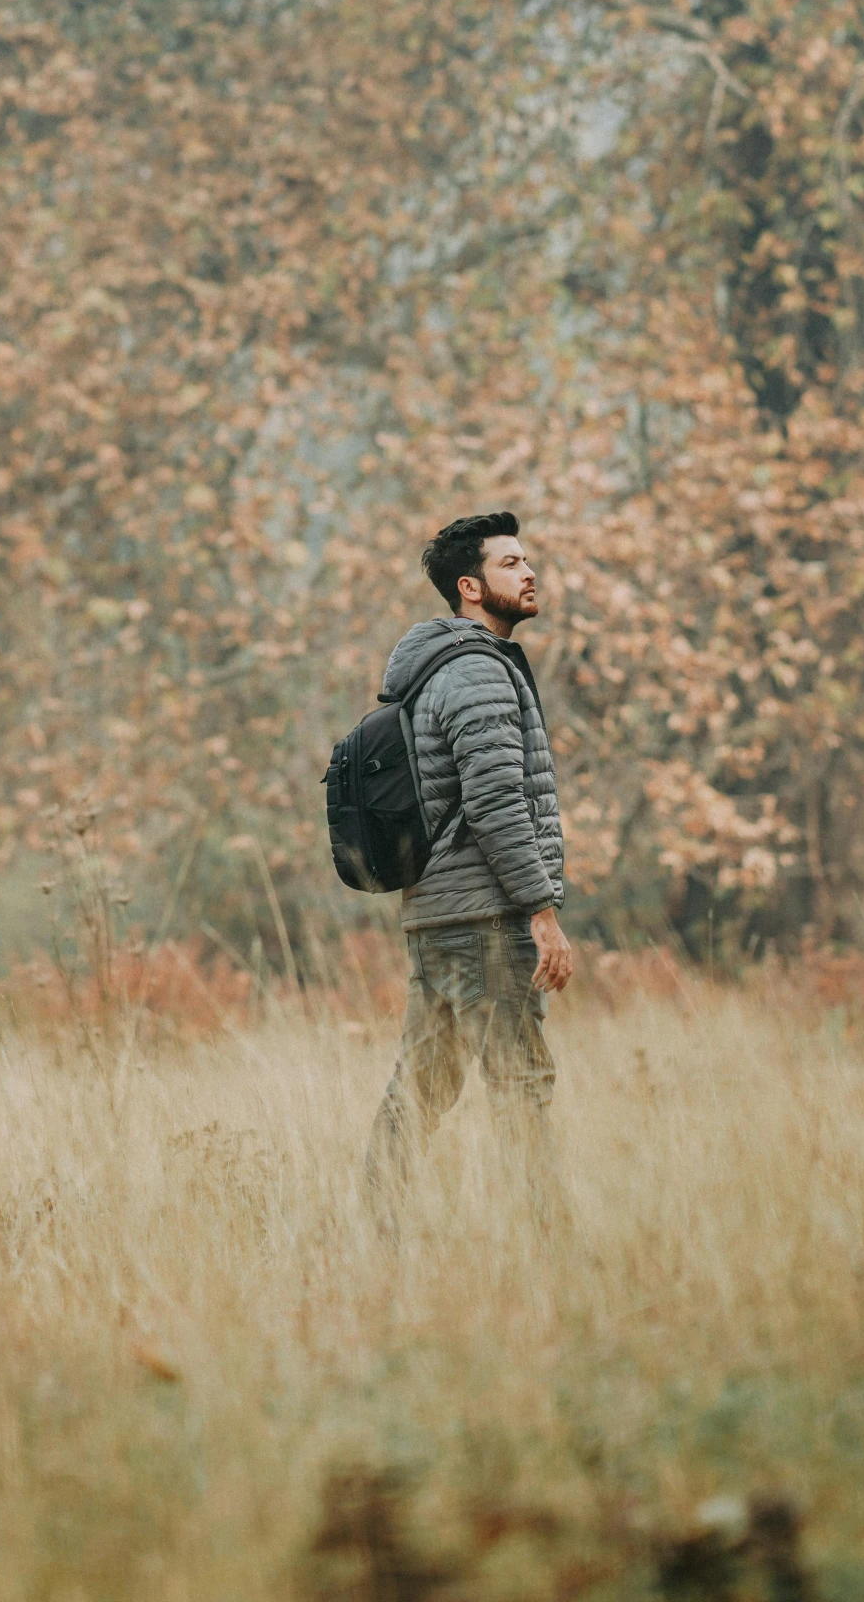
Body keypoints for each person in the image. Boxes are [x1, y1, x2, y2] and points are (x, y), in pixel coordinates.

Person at [363, 510, 571, 1229]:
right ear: (470, 587)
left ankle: (376, 1232)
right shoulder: (477, 672)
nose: (529, 571)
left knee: (420, 1087)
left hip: (437, 916)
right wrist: (541, 913)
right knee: (521, 1087)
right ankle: (548, 1253)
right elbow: (495, 805)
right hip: (484, 919)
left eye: (526, 559)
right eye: (510, 563)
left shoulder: (435, 671)